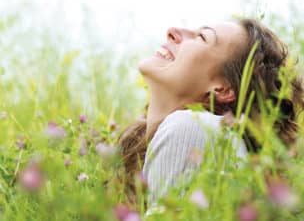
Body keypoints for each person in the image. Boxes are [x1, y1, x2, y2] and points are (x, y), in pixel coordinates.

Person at [117, 18, 304, 211]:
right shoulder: (200, 137)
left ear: (222, 89)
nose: (172, 31)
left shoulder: (191, 127)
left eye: (202, 37)